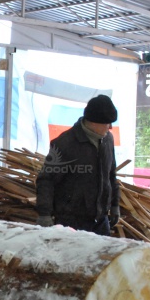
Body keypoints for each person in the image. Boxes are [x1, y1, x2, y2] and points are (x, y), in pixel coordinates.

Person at [35, 95, 120, 236]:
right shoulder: (64, 143)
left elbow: (111, 175)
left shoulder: (108, 140)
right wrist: (44, 213)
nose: (110, 127)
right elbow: (46, 180)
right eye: (107, 123)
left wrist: (115, 204)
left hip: (100, 220)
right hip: (71, 221)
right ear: (94, 122)